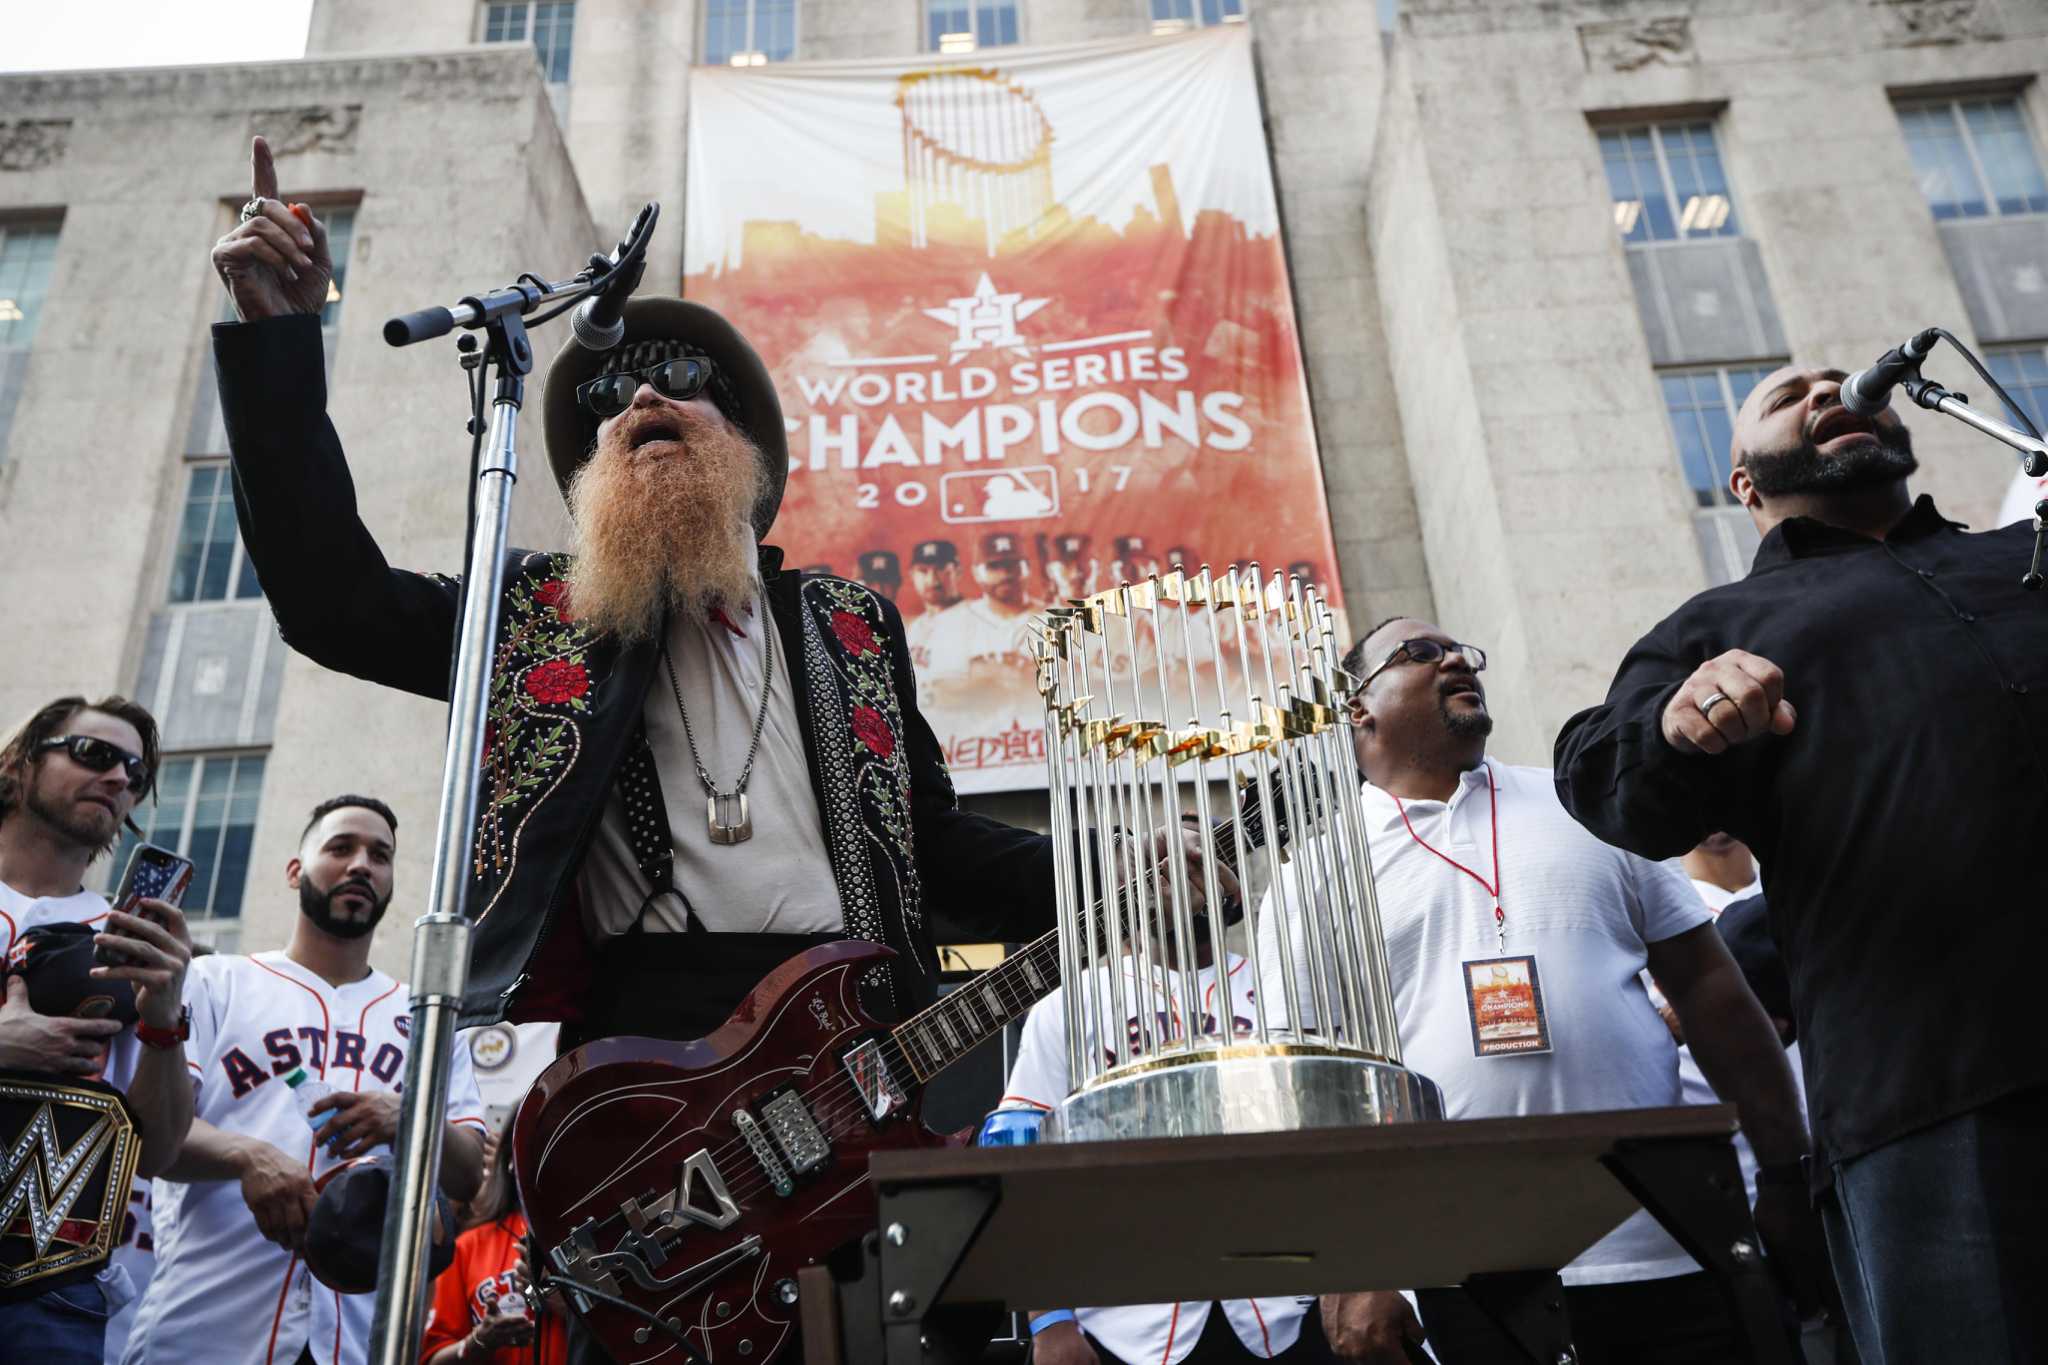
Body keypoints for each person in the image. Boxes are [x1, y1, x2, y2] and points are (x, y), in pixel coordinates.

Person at [206, 136, 1213, 1126]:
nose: (640, 394)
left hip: (846, 1032)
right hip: (632, 1041)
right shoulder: (536, 616)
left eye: (680, 376)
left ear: (742, 444)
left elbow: (930, 843)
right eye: (607, 395)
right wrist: (276, 348)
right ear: (593, 466)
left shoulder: (846, 625)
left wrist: (1107, 867)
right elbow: (333, 606)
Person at [1553, 363, 2048, 1365]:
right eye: (1788, 394)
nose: (1830, 390)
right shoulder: (1711, 630)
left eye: (1842, 381)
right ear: (1743, 482)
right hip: (1934, 1104)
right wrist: (1674, 725)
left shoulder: (2025, 555)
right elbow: (1606, 783)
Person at [1263, 620, 1817, 1365]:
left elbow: (1711, 989)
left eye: (1461, 649)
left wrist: (1787, 1170)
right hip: (1464, 1272)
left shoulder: (1583, 803)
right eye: (1420, 653)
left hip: (1667, 1244)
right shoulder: (1316, 876)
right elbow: (1305, 1089)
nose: (1456, 657)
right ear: (1355, 704)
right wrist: (1350, 1267)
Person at [120, 794, 487, 1365]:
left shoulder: (429, 1021)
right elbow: (149, 1136)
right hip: (211, 1325)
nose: (362, 864)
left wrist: (407, 1119)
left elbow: (468, 1175)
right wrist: (247, 1155)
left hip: (361, 1337)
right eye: (340, 847)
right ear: (295, 871)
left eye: (380, 855)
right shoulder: (217, 982)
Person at [998, 936, 1338, 1365]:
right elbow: (1024, 1162)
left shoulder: (1280, 987)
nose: (1173, 869)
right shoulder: (1072, 1002)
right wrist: (1050, 1320)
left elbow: (1333, 1142)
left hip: (1280, 1306)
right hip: (1119, 1316)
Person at [0, 695, 195, 1365]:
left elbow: (158, 1152)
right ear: (20, 764)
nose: (118, 778)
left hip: (52, 1287)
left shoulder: (129, 940)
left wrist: (166, 1016)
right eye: (95, 754)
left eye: (135, 773)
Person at [421, 1136, 568, 1365]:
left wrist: (563, 1302)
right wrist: (480, 1342)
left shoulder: (603, 1237)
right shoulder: (469, 1247)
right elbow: (432, 1359)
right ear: (511, 1159)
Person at [916, 532, 1039, 677]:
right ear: (976, 572)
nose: (1005, 573)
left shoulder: (1059, 620)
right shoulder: (951, 623)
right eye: (994, 566)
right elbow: (941, 688)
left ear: (1028, 567)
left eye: (1013, 564)